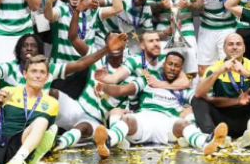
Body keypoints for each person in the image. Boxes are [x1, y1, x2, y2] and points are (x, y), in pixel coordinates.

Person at [93, 52, 228, 157]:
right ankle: (107, 141)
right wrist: (104, 86)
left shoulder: (183, 90)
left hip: (167, 122)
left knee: (184, 124)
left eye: (176, 66)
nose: (172, 68)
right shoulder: (147, 80)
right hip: (144, 119)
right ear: (164, 64)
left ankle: (206, 143)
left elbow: (200, 102)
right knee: (128, 120)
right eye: (170, 64)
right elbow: (120, 90)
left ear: (181, 69)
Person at [192, 33, 250, 140]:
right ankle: (212, 137)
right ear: (224, 49)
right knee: (197, 100)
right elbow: (198, 93)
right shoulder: (215, 68)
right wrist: (219, 72)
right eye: (230, 44)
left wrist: (247, 73)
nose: (234, 47)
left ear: (244, 48)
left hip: (248, 119)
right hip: (222, 120)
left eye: (238, 44)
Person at [44, 0, 122, 65]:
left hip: (85, 66)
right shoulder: (62, 9)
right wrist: (49, 1)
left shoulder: (93, 12)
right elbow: (49, 16)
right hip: (62, 67)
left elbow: (118, 8)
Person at [93, 0, 170, 55]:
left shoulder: (147, 11)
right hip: (100, 36)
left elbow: (149, 36)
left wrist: (167, 31)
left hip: (119, 42)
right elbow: (96, 2)